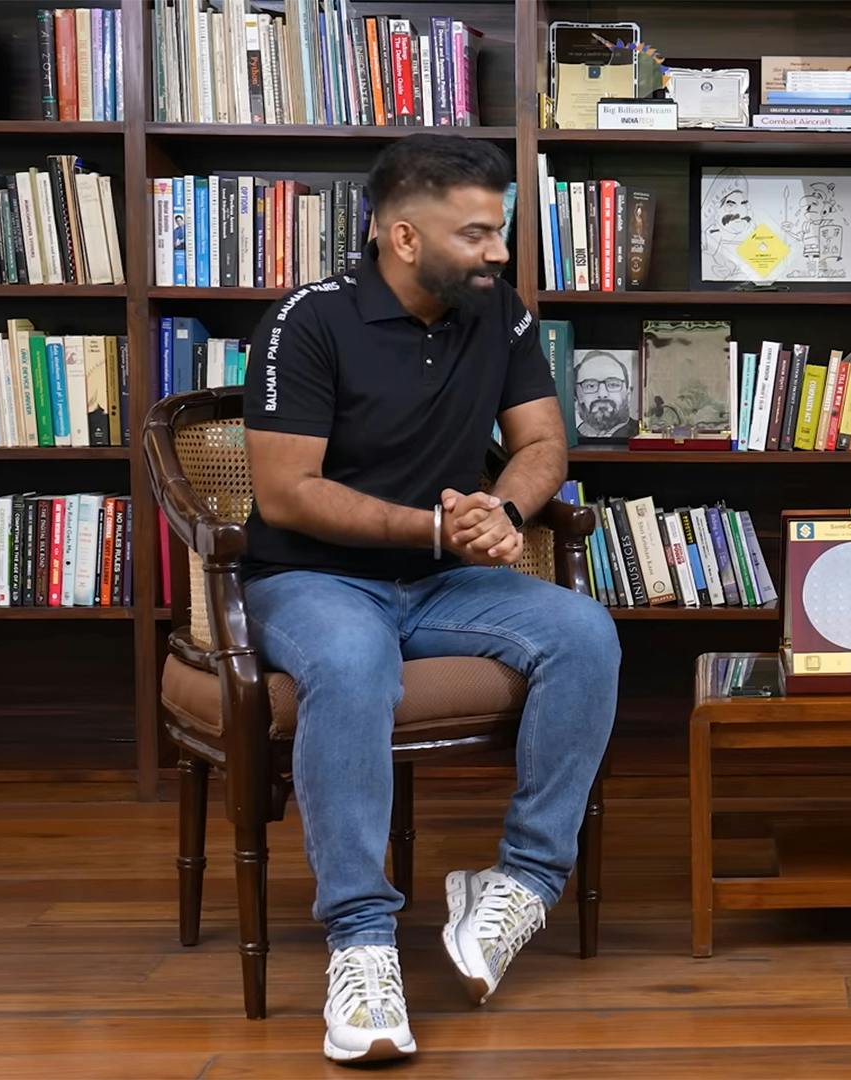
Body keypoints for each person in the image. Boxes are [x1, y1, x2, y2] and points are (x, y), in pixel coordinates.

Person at [240, 133, 619, 1063]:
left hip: (444, 579)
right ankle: (362, 943)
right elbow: (287, 490)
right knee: (352, 660)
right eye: (479, 233)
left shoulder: (498, 311)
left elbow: (541, 445)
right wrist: (433, 529)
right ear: (405, 237)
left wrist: (503, 508)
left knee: (584, 630)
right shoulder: (307, 320)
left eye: (502, 231)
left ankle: (519, 884)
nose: (498, 252)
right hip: (309, 577)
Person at [574, 350, 637, 439]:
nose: (602, 394)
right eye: (590, 385)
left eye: (613, 384)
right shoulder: (566, 437)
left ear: (628, 395)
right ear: (577, 397)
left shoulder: (642, 435)